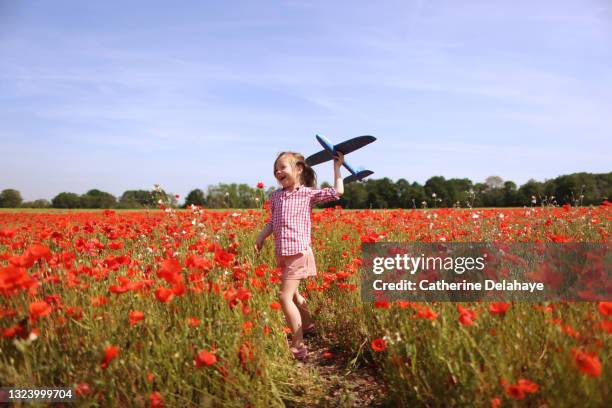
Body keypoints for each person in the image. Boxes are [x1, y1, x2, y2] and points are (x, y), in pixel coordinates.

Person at [255, 151, 344, 360]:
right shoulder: (275, 196)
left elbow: (337, 192)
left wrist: (337, 167)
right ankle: (309, 326)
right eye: (275, 169)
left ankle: (298, 346)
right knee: (294, 295)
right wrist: (261, 238)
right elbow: (272, 222)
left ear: (299, 169)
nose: (278, 171)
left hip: (298, 252)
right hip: (282, 253)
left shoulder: (307, 194)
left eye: (283, 167)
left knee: (284, 297)